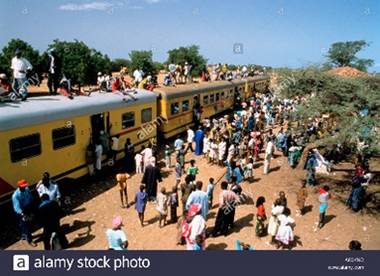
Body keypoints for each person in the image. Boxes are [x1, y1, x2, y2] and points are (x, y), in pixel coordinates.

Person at [12, 179, 36, 246]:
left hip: (28, 207)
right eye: (23, 186)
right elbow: (17, 207)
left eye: (25, 186)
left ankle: (24, 234)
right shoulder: (15, 195)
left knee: (28, 222)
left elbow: (30, 197)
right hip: (21, 211)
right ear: (19, 186)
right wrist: (22, 214)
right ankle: (30, 240)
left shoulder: (27, 189)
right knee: (26, 225)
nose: (25, 187)